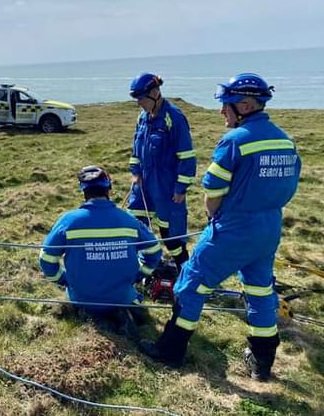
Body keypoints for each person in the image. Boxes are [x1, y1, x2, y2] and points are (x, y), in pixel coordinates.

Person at [140, 73, 301, 381]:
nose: (221, 112)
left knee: (191, 282)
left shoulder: (235, 141)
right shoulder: (285, 140)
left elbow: (212, 191)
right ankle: (262, 361)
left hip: (233, 226)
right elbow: (291, 184)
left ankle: (170, 350)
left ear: (244, 104)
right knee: (259, 290)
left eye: (226, 105)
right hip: (269, 227)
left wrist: (217, 218)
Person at [39, 165, 162, 332]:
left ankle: (90, 317)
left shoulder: (68, 221)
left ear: (83, 191)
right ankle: (124, 315)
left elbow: (46, 259)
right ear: (109, 188)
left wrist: (63, 280)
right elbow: (154, 251)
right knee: (126, 301)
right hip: (122, 296)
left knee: (86, 304)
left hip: (81, 296)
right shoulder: (129, 220)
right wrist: (140, 274)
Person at [127, 73, 197, 270]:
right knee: (135, 227)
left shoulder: (174, 118)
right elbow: (136, 151)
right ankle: (140, 268)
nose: (139, 103)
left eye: (141, 98)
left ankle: (184, 270)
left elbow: (186, 156)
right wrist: (135, 171)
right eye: (136, 99)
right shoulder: (142, 118)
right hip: (142, 185)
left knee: (171, 235)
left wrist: (181, 188)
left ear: (155, 93)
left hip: (167, 187)